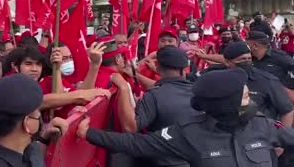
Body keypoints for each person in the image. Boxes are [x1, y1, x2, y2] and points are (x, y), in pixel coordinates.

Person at [77, 68, 294, 167]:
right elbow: (136, 143)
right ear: (226, 105)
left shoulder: (264, 126)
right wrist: (88, 133)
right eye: (246, 97)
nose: (252, 103)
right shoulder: (187, 133)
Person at [117, 46, 198, 167]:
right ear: (183, 70)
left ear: (158, 69)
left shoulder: (153, 96)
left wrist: (124, 88)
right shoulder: (199, 92)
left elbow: (130, 127)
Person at [0, 74, 69, 167]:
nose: (39, 117)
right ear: (27, 123)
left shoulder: (28, 146)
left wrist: (44, 139)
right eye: (37, 113)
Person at [223, 41, 294, 126]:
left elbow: (287, 111)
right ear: (227, 62)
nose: (247, 62)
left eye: (249, 59)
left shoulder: (267, 80)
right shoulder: (218, 80)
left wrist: (281, 136)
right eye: (242, 59)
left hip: (259, 135)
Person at [247, 31, 294, 102]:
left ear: (255, 46)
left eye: (247, 44)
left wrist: (287, 90)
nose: (246, 47)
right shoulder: (248, 58)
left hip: (278, 103)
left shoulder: (281, 58)